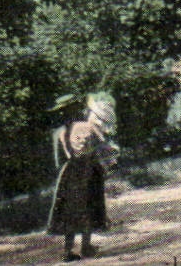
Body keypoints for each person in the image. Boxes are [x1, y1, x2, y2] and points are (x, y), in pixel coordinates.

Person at [47, 94, 110, 260]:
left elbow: (57, 160)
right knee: (88, 206)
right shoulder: (89, 126)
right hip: (89, 169)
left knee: (70, 210)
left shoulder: (59, 132)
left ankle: (68, 251)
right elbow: (103, 147)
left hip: (70, 171)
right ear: (77, 110)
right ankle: (86, 246)